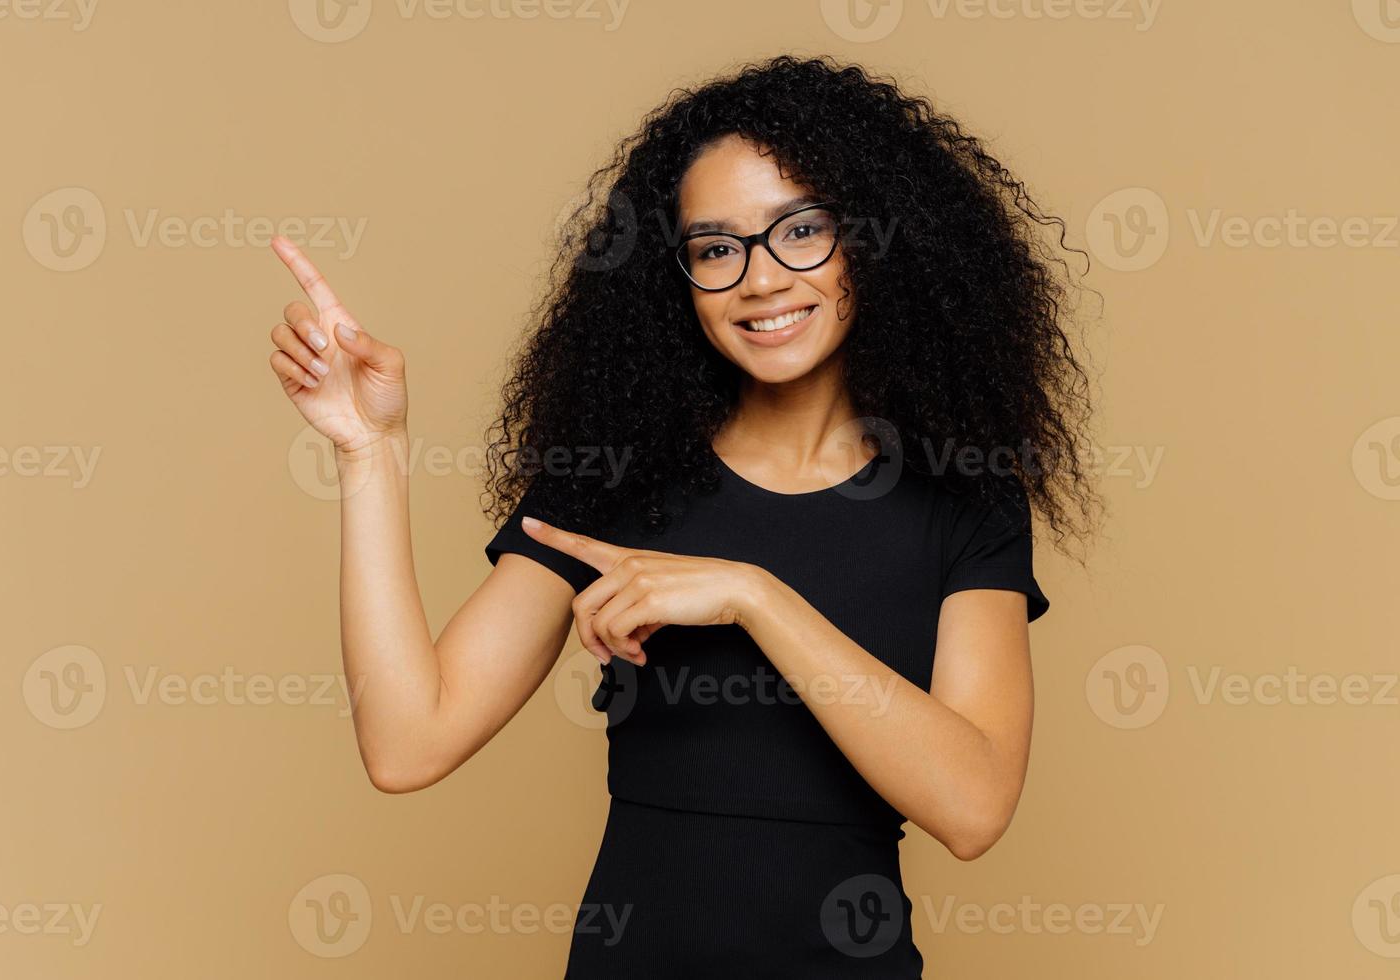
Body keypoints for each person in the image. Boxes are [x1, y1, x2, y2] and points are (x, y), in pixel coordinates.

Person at [264, 54, 1097, 979]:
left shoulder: (962, 496)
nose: (760, 279)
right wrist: (367, 451)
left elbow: (974, 808)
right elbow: (406, 742)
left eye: (801, 231)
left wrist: (753, 597)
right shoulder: (617, 477)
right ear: (679, 281)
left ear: (873, 241)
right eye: (715, 248)